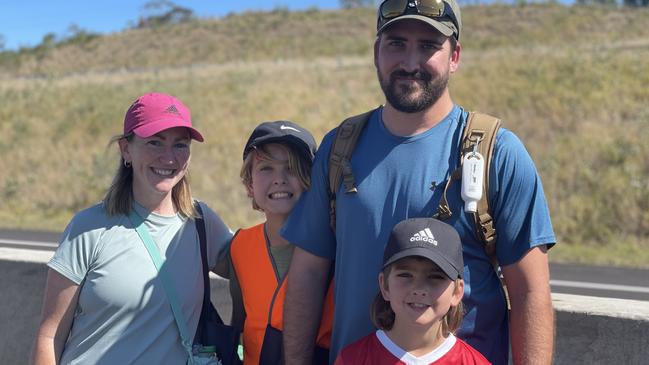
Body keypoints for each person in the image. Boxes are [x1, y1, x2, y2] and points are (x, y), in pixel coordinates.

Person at [281, 1, 556, 364]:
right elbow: (308, 274)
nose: (410, 63)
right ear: (377, 52)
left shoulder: (497, 153)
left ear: (454, 56)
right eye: (396, 43)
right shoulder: (340, 147)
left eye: (428, 46)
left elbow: (530, 293)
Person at [30, 92, 233, 365]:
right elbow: (50, 336)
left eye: (180, 145)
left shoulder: (201, 223)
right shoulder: (88, 228)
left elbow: (261, 265)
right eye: (154, 143)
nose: (168, 157)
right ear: (126, 149)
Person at [216, 121, 334, 365]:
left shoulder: (337, 244)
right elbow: (241, 323)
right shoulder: (240, 247)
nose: (279, 179)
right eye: (266, 168)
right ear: (249, 184)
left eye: (292, 168)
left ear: (312, 180)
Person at [334, 217, 490, 365]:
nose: (419, 289)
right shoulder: (352, 359)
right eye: (405, 275)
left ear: (457, 292)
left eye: (435, 277)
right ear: (385, 285)